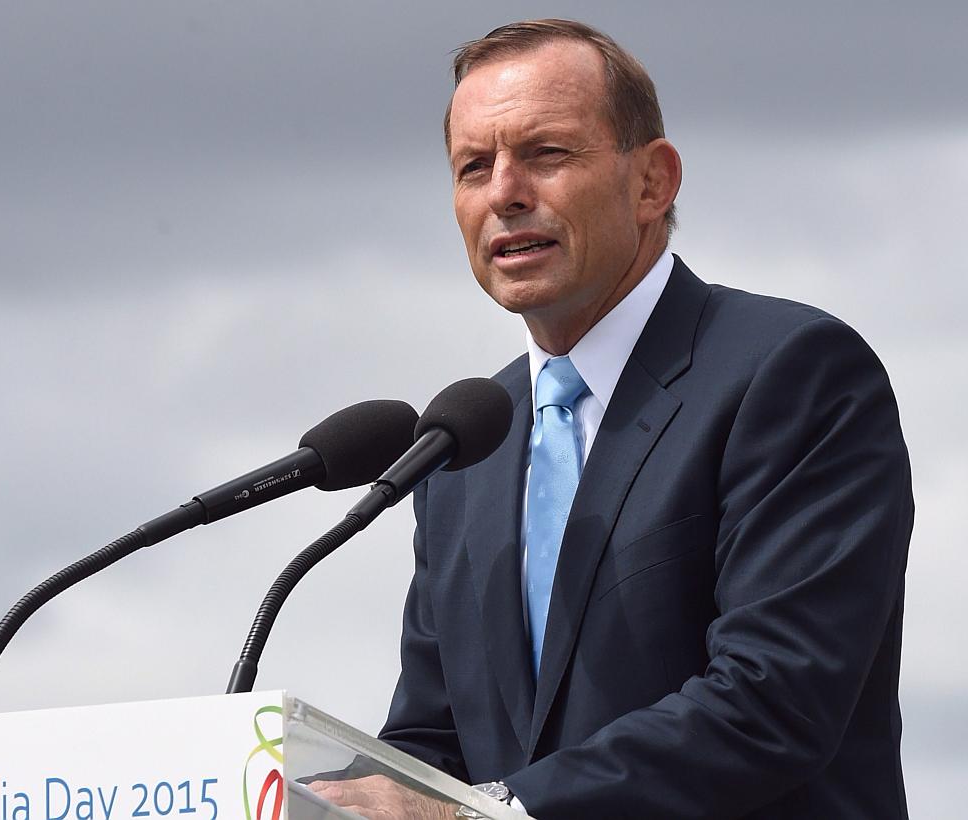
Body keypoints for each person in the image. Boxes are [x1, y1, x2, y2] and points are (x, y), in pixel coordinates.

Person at [309, 19, 914, 819]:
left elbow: (774, 701)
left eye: (547, 154)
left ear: (653, 183)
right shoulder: (462, 449)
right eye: (473, 167)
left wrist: (487, 813)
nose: (505, 192)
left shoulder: (791, 374)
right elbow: (433, 740)